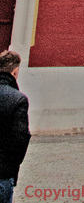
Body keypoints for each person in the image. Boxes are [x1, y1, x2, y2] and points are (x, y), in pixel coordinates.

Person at [0, 50, 31, 203]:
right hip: (3, 172)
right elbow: (20, 138)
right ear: (15, 71)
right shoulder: (17, 99)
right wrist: (11, 166)